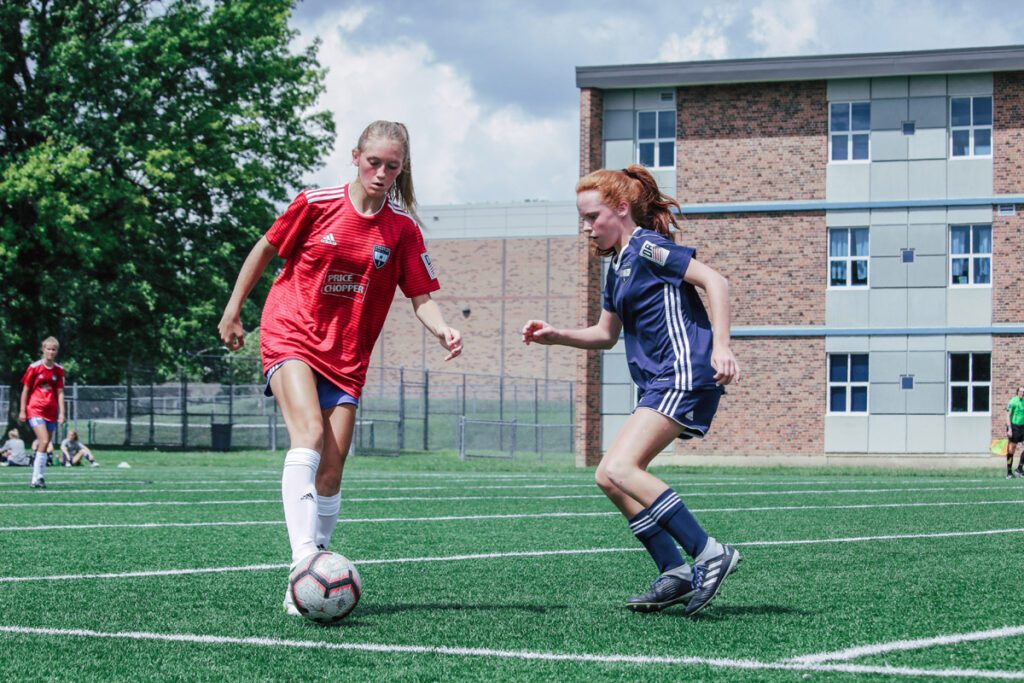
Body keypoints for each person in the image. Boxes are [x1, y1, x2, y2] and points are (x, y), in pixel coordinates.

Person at [218, 120, 463, 616]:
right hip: (291, 333)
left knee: (331, 470)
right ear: (355, 156)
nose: (381, 172)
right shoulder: (315, 204)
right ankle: (304, 562)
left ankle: (314, 573)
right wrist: (233, 308)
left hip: (347, 356)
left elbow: (420, 295)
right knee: (307, 434)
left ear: (401, 169)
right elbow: (265, 249)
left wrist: (442, 328)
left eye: (392, 166)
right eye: (374, 162)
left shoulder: (402, 229)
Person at [522, 165, 740, 616]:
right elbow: (605, 334)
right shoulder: (617, 267)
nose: (586, 228)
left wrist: (722, 347)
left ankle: (708, 553)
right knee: (608, 475)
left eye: (592, 217)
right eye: (582, 219)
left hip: (685, 372)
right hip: (660, 381)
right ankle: (674, 570)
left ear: (621, 209)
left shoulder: (647, 247)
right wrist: (555, 334)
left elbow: (715, 281)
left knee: (621, 466)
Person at [19, 337, 65, 488]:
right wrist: (22, 410)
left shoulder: (58, 370)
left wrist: (62, 413)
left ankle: (40, 476)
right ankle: (35, 478)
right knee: (44, 441)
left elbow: (60, 392)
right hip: (35, 409)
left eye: (54, 349)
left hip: (51, 412)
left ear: (57, 351)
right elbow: (26, 390)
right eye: (48, 349)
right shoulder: (34, 367)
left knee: (44, 445)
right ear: (43, 349)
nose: (51, 352)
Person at [1007, 386, 1024, 479]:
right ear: (1017, 392)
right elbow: (1008, 415)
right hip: (1014, 427)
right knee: (1011, 450)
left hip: (1023, 427)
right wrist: (1009, 428)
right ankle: (1009, 472)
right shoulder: (1013, 401)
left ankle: (1019, 468)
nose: (1022, 393)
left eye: (1023, 392)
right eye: (1021, 391)